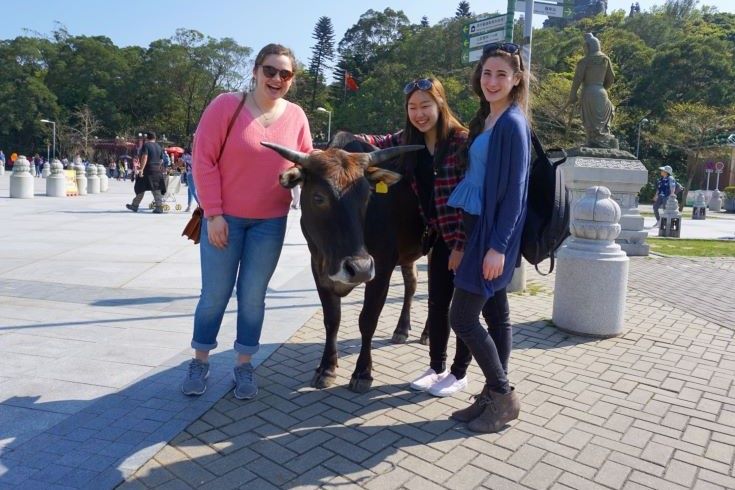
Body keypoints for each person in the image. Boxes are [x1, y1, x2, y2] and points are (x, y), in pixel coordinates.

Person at [182, 43, 313, 400]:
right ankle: (200, 360)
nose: (276, 79)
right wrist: (214, 214)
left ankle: (243, 365)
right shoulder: (227, 105)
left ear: (291, 80)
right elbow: (203, 160)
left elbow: (306, 161)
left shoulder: (297, 116)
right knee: (215, 295)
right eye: (270, 70)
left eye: (285, 74)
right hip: (224, 220)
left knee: (253, 297)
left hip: (270, 223)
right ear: (255, 71)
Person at [358, 76, 471, 398]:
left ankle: (459, 373)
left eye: (425, 105)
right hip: (437, 235)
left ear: (440, 104)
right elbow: (374, 141)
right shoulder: (409, 140)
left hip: (464, 236)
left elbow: (476, 197)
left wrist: (462, 245)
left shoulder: (462, 141)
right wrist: (339, 144)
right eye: (412, 107)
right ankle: (436, 367)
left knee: (461, 309)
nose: (419, 113)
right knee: (437, 304)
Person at [447, 42, 531, 433]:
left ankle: (502, 394)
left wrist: (498, 246)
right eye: (486, 73)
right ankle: (490, 397)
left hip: (491, 234)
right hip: (478, 227)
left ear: (517, 80)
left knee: (462, 317)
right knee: (496, 315)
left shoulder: (512, 125)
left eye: (501, 74)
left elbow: (515, 194)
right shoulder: (488, 119)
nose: (492, 81)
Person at [125, 132, 166, 213]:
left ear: (147, 138)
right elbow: (161, 160)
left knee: (140, 187)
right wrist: (158, 167)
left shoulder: (146, 145)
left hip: (148, 170)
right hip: (157, 170)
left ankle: (134, 205)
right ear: (155, 138)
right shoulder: (159, 146)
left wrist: (142, 169)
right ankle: (159, 207)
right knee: (156, 189)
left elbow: (145, 157)